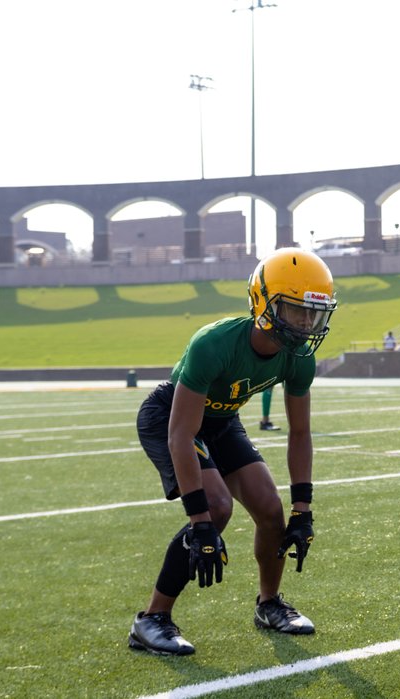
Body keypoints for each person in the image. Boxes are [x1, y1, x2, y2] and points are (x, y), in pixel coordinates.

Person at [127, 248, 337, 656]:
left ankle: (269, 604)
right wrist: (199, 521)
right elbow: (181, 433)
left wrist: (303, 508)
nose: (305, 324)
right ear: (263, 302)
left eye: (312, 314)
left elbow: (300, 433)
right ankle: (151, 618)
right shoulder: (215, 343)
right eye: (296, 311)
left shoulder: (299, 359)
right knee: (216, 508)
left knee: (271, 509)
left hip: (221, 420)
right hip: (170, 417)